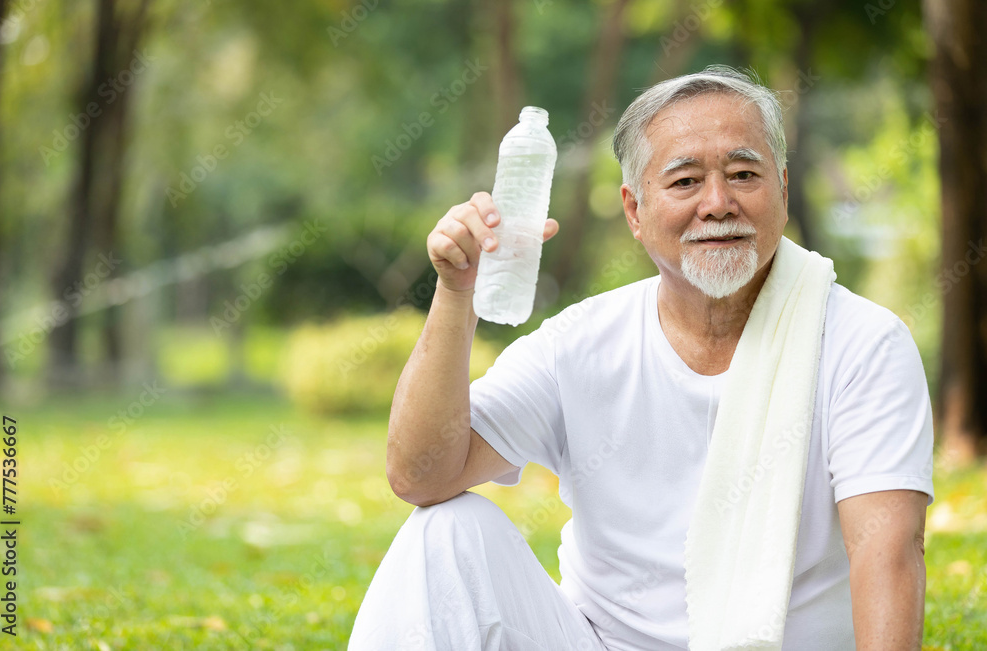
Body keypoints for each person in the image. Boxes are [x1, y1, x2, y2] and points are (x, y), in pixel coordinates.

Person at [348, 66, 934, 650]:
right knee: (446, 529)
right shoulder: (580, 342)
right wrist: (457, 295)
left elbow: (886, 551)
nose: (718, 202)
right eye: (684, 182)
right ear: (634, 210)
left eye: (744, 174)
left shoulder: (863, 343)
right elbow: (422, 474)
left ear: (781, 189)